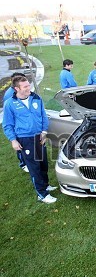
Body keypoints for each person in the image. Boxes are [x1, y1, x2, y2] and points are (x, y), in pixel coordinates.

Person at [2, 75, 57, 204]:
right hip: (25, 139)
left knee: (43, 164)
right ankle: (42, 194)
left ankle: (45, 185)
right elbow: (7, 124)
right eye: (25, 86)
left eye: (28, 85)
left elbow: (43, 116)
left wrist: (44, 132)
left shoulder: (36, 98)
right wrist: (13, 140)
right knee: (34, 167)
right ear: (17, 88)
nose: (29, 88)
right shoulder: (10, 103)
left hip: (39, 136)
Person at [3, 72, 29, 172]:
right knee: (20, 148)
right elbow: (9, 119)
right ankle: (23, 164)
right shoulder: (10, 96)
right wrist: (13, 138)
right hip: (18, 128)